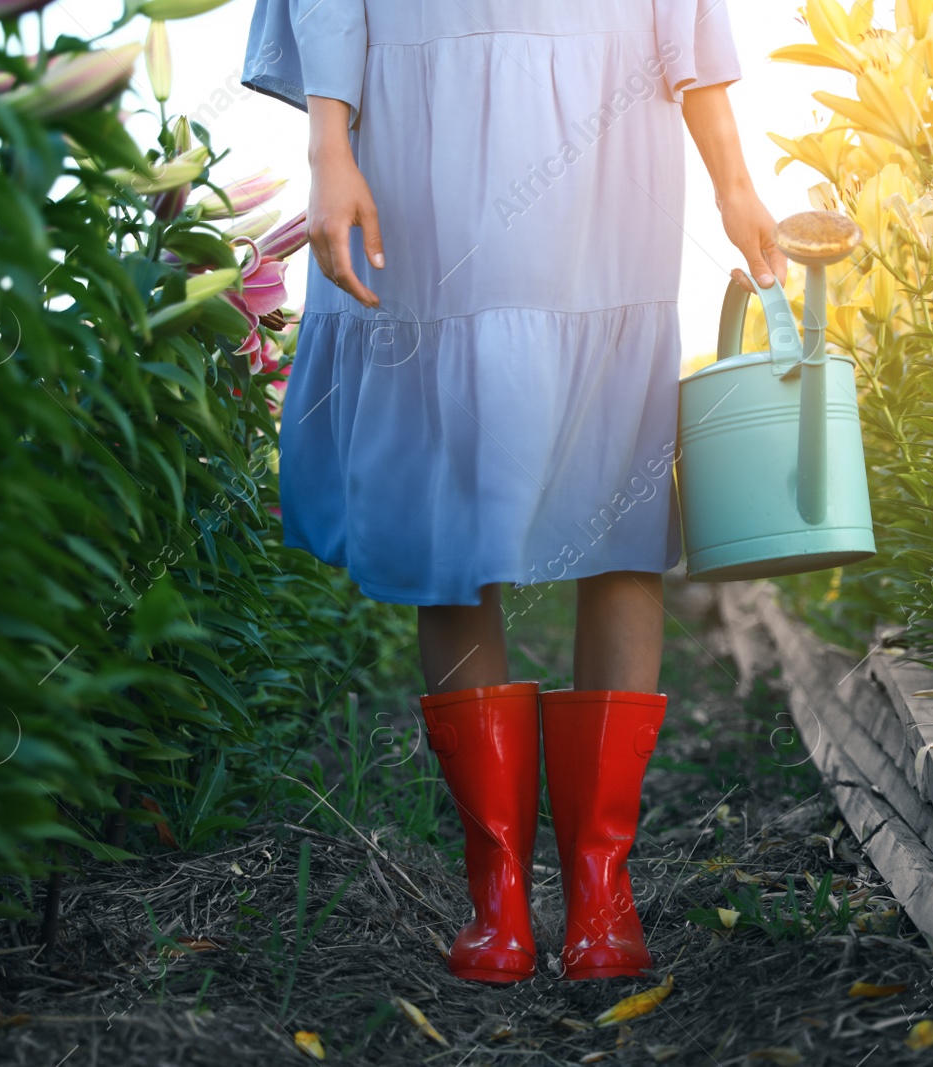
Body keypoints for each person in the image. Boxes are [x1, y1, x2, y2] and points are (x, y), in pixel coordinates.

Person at [241, 0, 787, 984]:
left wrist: (735, 183)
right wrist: (329, 147)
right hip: (414, 116)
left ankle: (598, 892)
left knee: (615, 504)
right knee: (444, 516)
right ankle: (497, 893)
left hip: (605, 123)